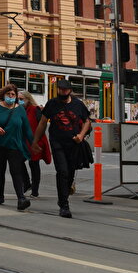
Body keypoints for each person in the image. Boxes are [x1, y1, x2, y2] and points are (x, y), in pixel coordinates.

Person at [31, 78, 92, 218]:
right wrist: (35, 141)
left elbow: (87, 121)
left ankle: (63, 197)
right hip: (57, 142)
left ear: (69, 91)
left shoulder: (78, 104)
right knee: (62, 171)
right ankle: (64, 205)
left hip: (74, 144)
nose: (62, 92)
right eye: (60, 89)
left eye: (64, 90)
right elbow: (42, 123)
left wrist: (81, 135)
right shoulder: (52, 103)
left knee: (70, 173)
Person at [0, 84, 32, 210]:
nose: (11, 96)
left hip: (15, 146)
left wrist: (34, 144)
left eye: (13, 95)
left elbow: (27, 128)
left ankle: (21, 199)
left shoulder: (20, 109)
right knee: (0, 170)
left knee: (15, 171)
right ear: (4, 95)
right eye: (8, 94)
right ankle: (0, 195)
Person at [21, 90, 50, 198]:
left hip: (35, 141)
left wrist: (37, 141)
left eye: (21, 99)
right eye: (18, 99)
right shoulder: (19, 110)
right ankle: (27, 183)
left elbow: (42, 124)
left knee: (34, 164)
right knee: (19, 161)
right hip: (24, 141)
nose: (19, 101)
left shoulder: (35, 110)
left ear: (28, 99)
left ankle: (35, 190)